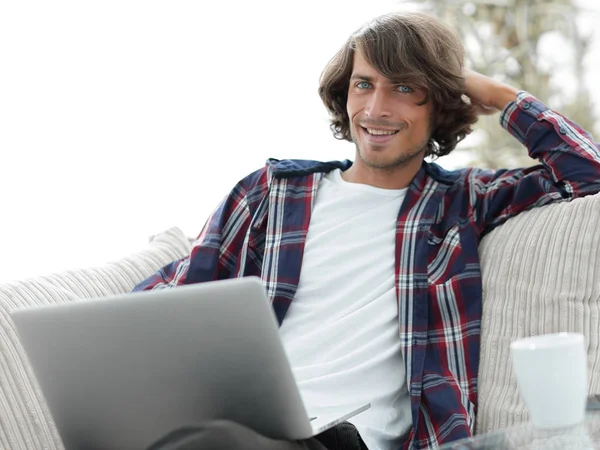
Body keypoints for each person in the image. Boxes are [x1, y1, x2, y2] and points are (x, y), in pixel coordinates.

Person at [134, 11, 600, 450]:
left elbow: (589, 174)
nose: (376, 109)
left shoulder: (461, 202)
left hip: (342, 439)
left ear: (438, 103)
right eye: (364, 84)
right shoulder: (271, 193)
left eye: (403, 87)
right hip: (250, 426)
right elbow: (169, 300)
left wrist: (499, 96)